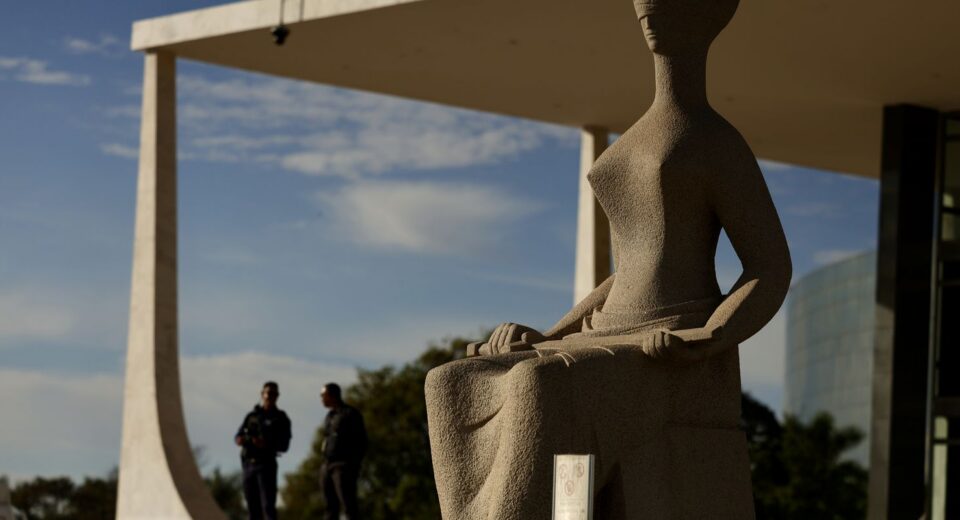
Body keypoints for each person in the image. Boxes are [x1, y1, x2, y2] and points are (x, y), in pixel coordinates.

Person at [425, 0, 792, 517]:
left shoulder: (715, 141)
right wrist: (551, 334)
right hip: (602, 331)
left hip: (666, 341)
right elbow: (625, 273)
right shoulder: (635, 137)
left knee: (538, 383)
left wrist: (709, 337)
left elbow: (769, 267)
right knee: (450, 382)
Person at [235, 381, 291, 520]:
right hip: (249, 465)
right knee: (252, 508)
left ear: (277, 396)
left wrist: (265, 444)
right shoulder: (252, 416)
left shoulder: (280, 418)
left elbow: (284, 445)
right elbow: (238, 436)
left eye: (273, 394)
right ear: (262, 394)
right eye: (267, 393)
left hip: (266, 465)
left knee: (267, 506)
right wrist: (242, 439)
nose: (270, 396)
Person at [320, 383, 367, 520]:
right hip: (327, 465)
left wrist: (354, 464)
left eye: (323, 395)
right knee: (329, 506)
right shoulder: (329, 416)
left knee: (348, 504)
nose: (322, 399)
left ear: (331, 395)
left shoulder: (350, 414)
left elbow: (361, 441)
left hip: (343, 465)